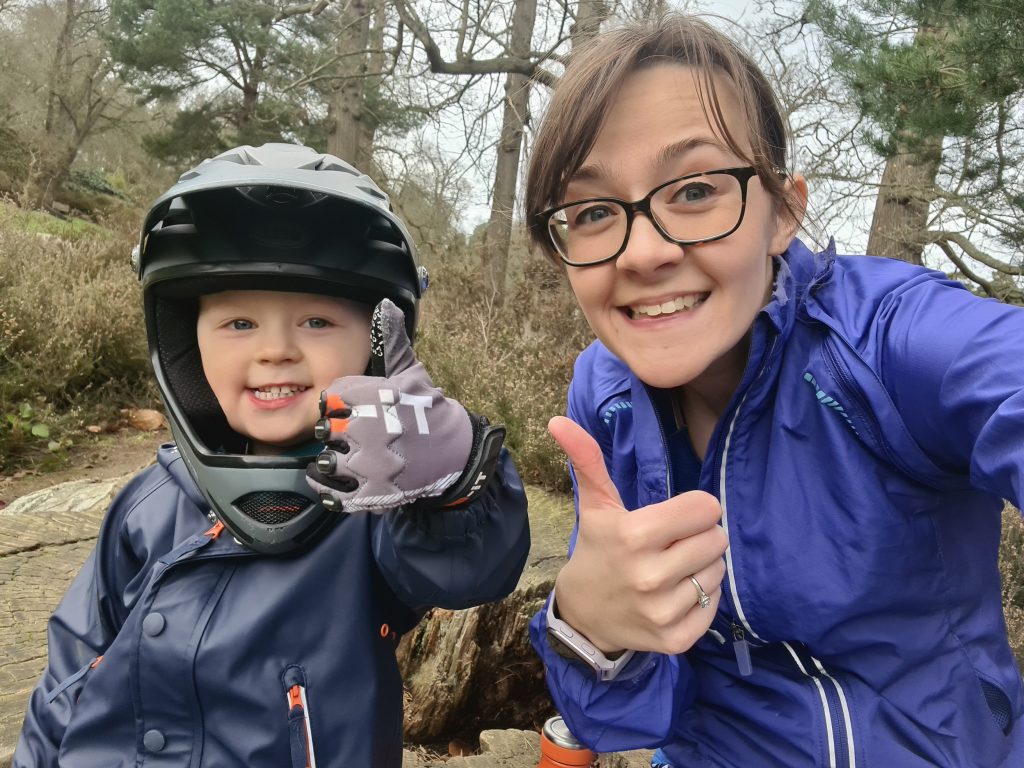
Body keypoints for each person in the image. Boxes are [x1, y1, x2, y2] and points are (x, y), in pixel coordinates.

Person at [525, 14, 1024, 768]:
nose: (647, 252)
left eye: (694, 190)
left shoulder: (889, 344)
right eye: (594, 211)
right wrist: (589, 628)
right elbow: (632, 713)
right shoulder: (604, 391)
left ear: (784, 212)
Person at [14, 143, 530, 767]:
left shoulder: (374, 512)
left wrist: (457, 477)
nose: (276, 350)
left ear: (373, 348)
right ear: (186, 344)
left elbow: (466, 567)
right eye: (238, 324)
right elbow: (72, 664)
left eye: (316, 321)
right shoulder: (148, 504)